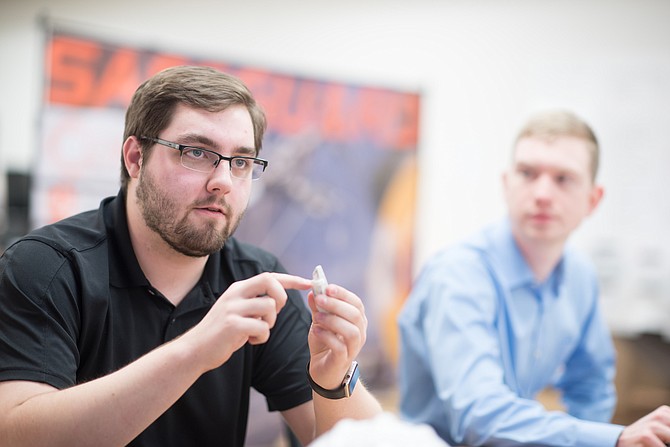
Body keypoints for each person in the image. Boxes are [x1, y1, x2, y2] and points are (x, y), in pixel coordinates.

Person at [0, 65, 382, 446]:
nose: (223, 181)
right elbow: (17, 434)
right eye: (196, 153)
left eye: (241, 162)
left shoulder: (256, 279)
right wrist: (195, 350)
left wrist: (334, 379)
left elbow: (348, 439)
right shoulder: (46, 268)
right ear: (135, 159)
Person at [397, 110, 670, 446]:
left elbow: (592, 386)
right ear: (507, 184)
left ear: (592, 200)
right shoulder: (458, 276)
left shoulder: (580, 276)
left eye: (563, 179)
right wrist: (611, 439)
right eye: (527, 173)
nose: (542, 193)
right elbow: (480, 418)